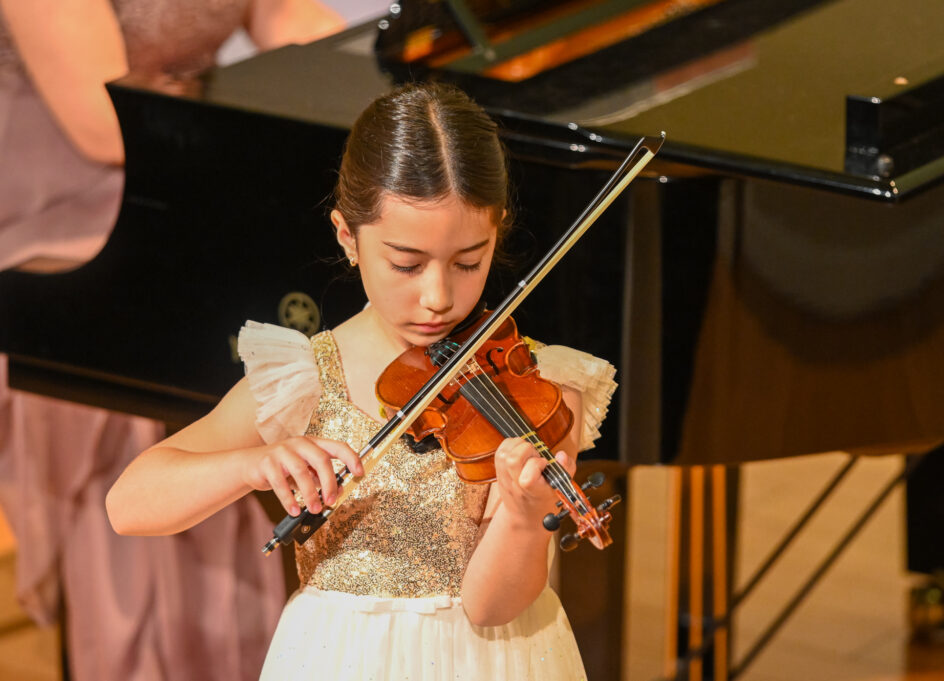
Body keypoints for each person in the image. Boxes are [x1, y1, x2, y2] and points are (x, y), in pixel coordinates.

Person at [106, 81, 617, 679]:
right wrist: (252, 465)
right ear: (347, 236)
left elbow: (490, 607)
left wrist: (525, 518)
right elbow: (128, 504)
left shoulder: (537, 388)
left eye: (468, 262)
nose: (438, 297)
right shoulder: (305, 377)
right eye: (406, 264)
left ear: (497, 232)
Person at [0, 2, 346, 679]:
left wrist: (357, 71)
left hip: (187, 164)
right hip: (62, 195)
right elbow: (105, 124)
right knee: (153, 342)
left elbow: (282, 15)